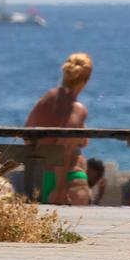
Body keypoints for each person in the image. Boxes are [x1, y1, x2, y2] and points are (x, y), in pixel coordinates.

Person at [24, 53, 92, 204]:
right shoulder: (78, 109)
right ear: (86, 79)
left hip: (41, 176)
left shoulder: (46, 99)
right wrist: (60, 189)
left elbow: (27, 135)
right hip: (69, 180)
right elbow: (64, 148)